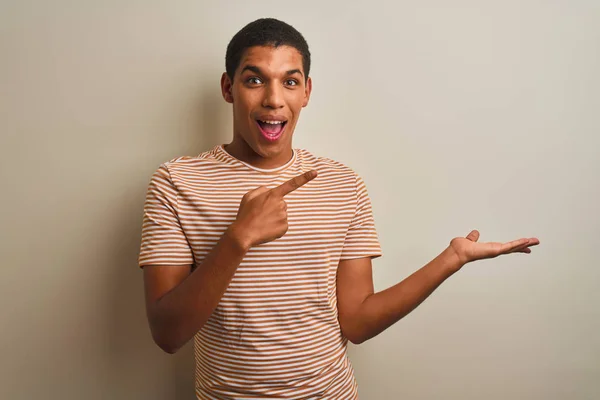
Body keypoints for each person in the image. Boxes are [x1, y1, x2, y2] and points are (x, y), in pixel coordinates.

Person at [138, 18, 540, 399]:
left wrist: (451, 260)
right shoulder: (176, 183)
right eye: (255, 79)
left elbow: (358, 322)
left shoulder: (343, 185)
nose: (274, 99)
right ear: (228, 87)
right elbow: (167, 335)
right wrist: (238, 238)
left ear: (307, 92)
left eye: (289, 82)